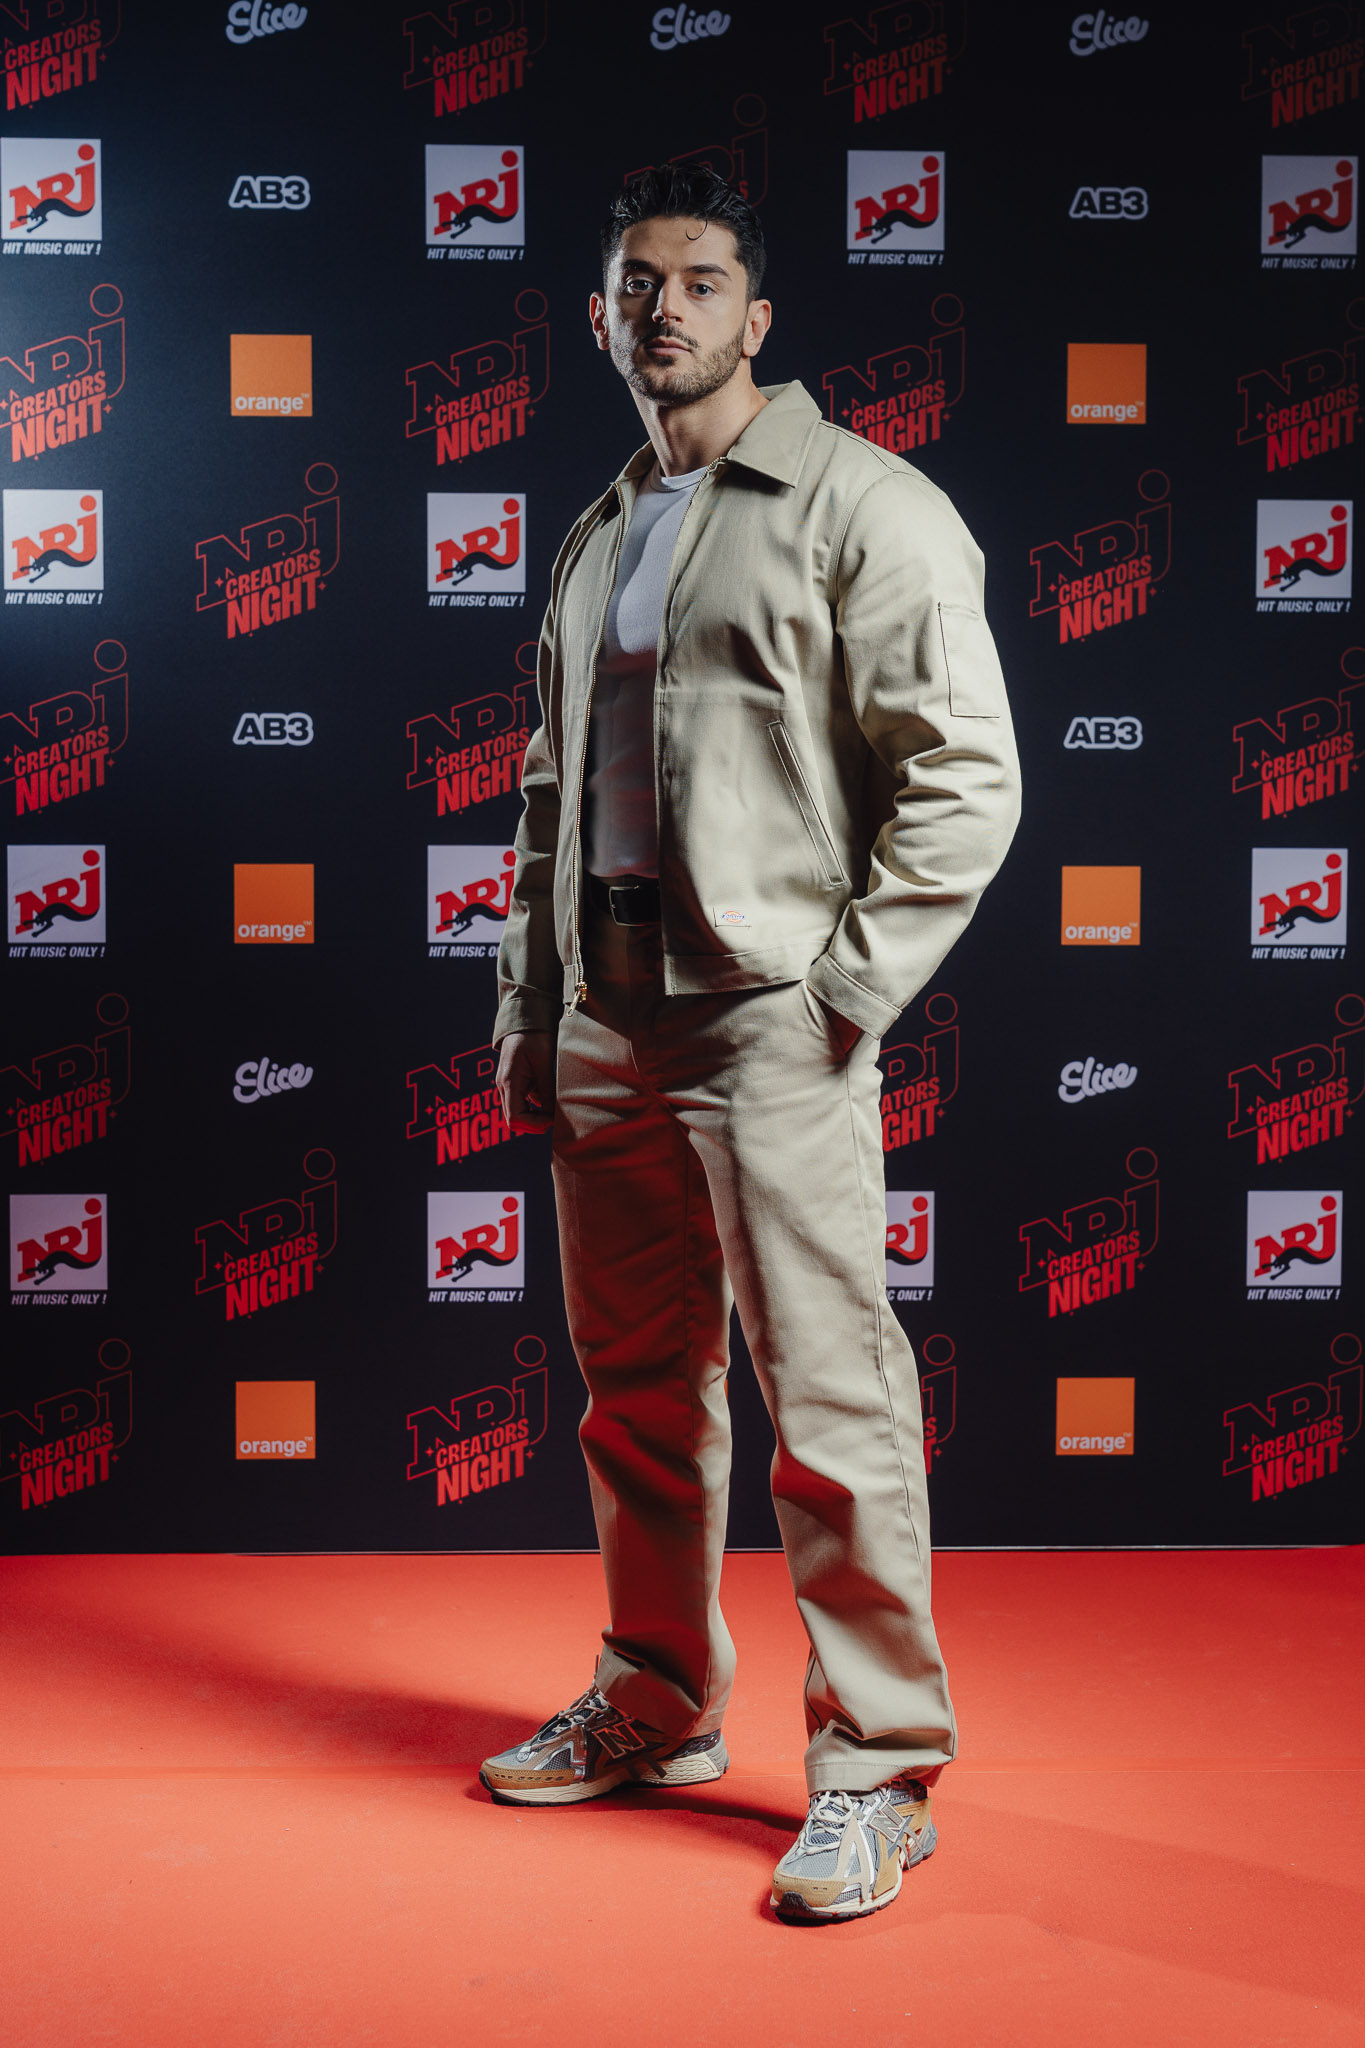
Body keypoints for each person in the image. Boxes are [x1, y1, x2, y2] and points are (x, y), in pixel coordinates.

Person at [483, 163, 1020, 1922]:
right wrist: (530, 1006)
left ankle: (878, 1768)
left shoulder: (866, 503)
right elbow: (550, 798)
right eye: (636, 283)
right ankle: (657, 1702)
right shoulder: (602, 530)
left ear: (757, 317)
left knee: (830, 1400)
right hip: (604, 1018)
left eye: (700, 281)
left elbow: (965, 777)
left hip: (767, 1017)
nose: (666, 309)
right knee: (638, 1396)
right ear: (598, 317)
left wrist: (845, 994)